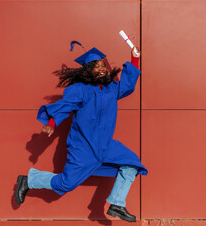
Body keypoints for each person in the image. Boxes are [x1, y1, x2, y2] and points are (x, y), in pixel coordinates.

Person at [14, 42, 147, 223]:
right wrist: (52, 122)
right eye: (96, 66)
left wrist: (135, 58)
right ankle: (29, 180)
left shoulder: (111, 89)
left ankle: (116, 203)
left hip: (106, 145)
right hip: (83, 147)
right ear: (87, 71)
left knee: (132, 164)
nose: (101, 69)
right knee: (66, 184)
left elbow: (128, 84)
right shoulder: (80, 90)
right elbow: (66, 106)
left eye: (103, 65)